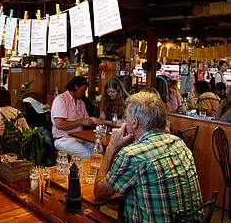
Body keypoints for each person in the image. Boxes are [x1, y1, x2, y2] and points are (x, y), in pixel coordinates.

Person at [94, 92, 203, 222]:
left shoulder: (132, 155)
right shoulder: (179, 143)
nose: (124, 121)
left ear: (134, 122)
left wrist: (112, 147)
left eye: (125, 117)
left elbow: (99, 193)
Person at [51, 76, 100, 158]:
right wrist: (80, 121)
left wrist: (93, 122)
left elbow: (86, 121)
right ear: (76, 87)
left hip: (80, 139)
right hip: (63, 140)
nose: (84, 93)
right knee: (89, 156)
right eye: (83, 90)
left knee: (100, 151)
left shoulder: (81, 102)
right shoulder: (61, 99)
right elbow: (60, 125)